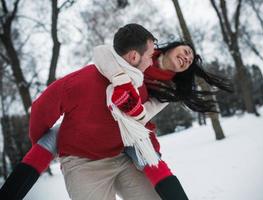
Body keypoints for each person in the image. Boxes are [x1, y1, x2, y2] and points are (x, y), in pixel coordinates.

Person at [0, 26, 233, 200]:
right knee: (64, 135)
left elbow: (142, 119)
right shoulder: (124, 59)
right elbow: (104, 52)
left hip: (124, 139)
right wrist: (120, 79)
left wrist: (138, 122)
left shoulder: (166, 90)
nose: (187, 58)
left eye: (190, 60)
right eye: (185, 51)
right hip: (82, 154)